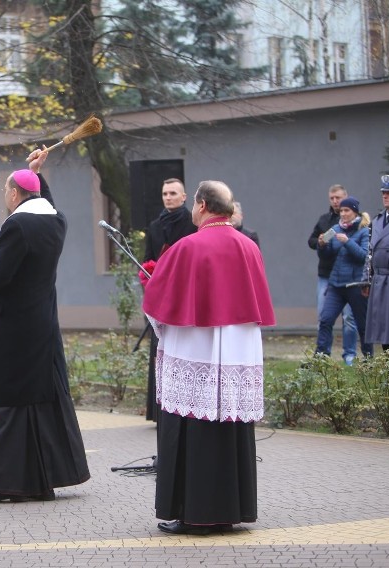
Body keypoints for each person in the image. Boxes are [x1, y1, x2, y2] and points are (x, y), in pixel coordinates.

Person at [142, 180, 275, 535]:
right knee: (230, 429)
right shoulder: (249, 247)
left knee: (193, 428)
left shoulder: (187, 247)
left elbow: (156, 307)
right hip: (237, 353)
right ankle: (232, 510)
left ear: (200, 205)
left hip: (194, 349)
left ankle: (194, 514)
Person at [0, 147, 90, 503]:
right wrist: (38, 172)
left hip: (13, 329)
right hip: (42, 323)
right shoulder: (56, 221)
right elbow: (47, 202)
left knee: (9, 399)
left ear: (13, 194)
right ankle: (44, 478)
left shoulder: (18, 225)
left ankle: (5, 483)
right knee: (39, 397)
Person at [142, 178, 197, 423]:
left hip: (186, 292)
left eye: (173, 193)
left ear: (184, 197)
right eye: (165, 193)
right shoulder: (154, 225)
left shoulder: (193, 224)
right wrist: (149, 273)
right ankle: (159, 410)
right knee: (159, 350)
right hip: (162, 294)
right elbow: (147, 258)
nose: (168, 197)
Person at [315, 197, 373, 360]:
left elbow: (363, 256)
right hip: (336, 284)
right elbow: (326, 255)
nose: (343, 213)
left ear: (355, 211)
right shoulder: (335, 229)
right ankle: (321, 358)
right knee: (325, 320)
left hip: (356, 285)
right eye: (341, 210)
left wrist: (347, 242)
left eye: (347, 210)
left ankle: (369, 361)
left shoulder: (364, 230)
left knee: (362, 326)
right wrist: (322, 245)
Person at [308, 184, 359, 365]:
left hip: (348, 277)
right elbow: (312, 241)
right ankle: (323, 355)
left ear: (346, 197)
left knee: (349, 317)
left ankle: (349, 355)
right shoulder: (325, 220)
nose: (335, 201)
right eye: (332, 198)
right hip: (326, 274)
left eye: (338, 197)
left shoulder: (356, 222)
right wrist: (321, 241)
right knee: (324, 316)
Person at [364, 174, 389, 365]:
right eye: (383, 193)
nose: (385, 196)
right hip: (380, 284)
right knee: (385, 338)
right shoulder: (378, 220)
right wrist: (367, 279)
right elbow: (370, 252)